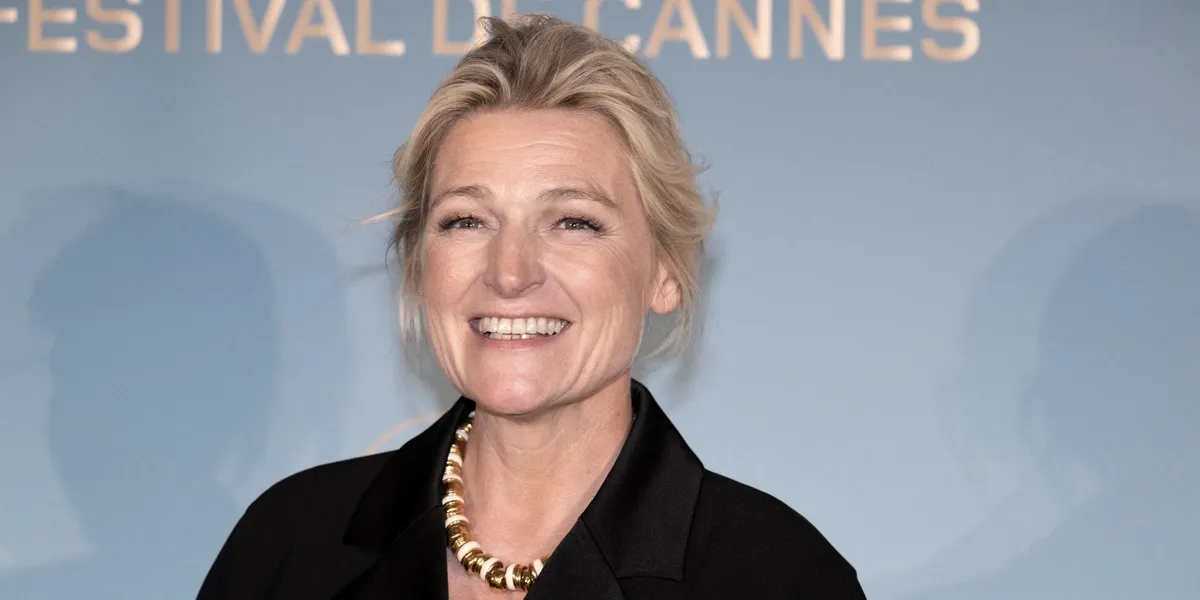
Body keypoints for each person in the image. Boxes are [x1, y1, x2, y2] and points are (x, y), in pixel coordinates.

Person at [198, 14, 866, 600]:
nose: (509, 272)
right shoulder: (289, 545)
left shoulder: (774, 576)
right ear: (415, 262)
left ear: (667, 271)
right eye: (466, 221)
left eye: (573, 222)